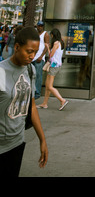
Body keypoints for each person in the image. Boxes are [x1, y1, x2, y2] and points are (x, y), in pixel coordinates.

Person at [0, 26, 48, 176]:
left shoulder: (30, 70)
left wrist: (42, 140)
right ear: (16, 47)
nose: (32, 56)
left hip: (17, 143)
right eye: (29, 51)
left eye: (35, 52)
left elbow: (31, 106)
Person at [37, 28, 68, 111]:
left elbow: (51, 55)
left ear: (53, 35)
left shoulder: (56, 43)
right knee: (47, 85)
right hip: (56, 65)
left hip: (54, 66)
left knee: (50, 86)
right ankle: (44, 103)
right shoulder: (61, 42)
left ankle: (62, 100)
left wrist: (47, 47)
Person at [32, 21, 50, 100]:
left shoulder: (45, 34)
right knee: (32, 75)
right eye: (39, 26)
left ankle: (37, 93)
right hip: (32, 57)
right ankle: (32, 91)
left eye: (41, 26)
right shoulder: (35, 33)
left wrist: (41, 56)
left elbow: (47, 46)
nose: (40, 27)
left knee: (38, 76)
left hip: (39, 58)